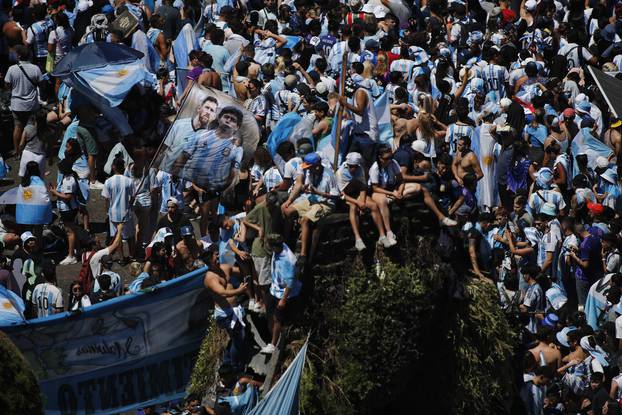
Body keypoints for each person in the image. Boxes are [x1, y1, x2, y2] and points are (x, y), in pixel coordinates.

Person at [281, 152, 338, 274]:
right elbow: (305, 186)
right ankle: (285, 242)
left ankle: (303, 254)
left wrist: (318, 193)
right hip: (311, 200)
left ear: (316, 166)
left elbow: (335, 196)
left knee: (305, 220)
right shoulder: (309, 172)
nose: (308, 170)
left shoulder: (329, 175)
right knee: (288, 211)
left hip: (325, 203)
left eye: (310, 167)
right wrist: (295, 196)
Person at [203, 243, 248, 369]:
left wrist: (243, 260)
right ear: (209, 262)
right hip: (225, 314)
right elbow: (222, 293)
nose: (217, 260)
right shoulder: (210, 278)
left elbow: (240, 271)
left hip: (235, 309)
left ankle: (230, 362)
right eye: (214, 259)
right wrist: (239, 291)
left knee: (238, 337)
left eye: (217, 257)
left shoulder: (225, 268)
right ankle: (234, 366)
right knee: (239, 337)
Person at [261, 234, 301, 354]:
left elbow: (291, 281)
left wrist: (283, 299)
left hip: (284, 293)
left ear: (274, 246)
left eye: (269, 245)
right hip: (275, 289)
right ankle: (275, 337)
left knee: (277, 318)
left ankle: (273, 345)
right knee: (270, 316)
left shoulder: (287, 259)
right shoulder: (279, 248)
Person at [4, 45, 41, 158]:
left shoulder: (12, 69)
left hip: (17, 104)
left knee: (17, 127)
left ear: (19, 56)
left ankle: (17, 152)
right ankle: (32, 151)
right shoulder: (35, 68)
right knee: (32, 127)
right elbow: (41, 83)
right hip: (32, 104)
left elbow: (7, 84)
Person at [102, 157, 136, 262]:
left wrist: (107, 212)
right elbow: (133, 196)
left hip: (113, 213)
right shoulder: (129, 181)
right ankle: (132, 255)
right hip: (126, 212)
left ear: (113, 167)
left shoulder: (108, 182)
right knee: (130, 236)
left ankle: (121, 258)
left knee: (117, 237)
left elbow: (106, 199)